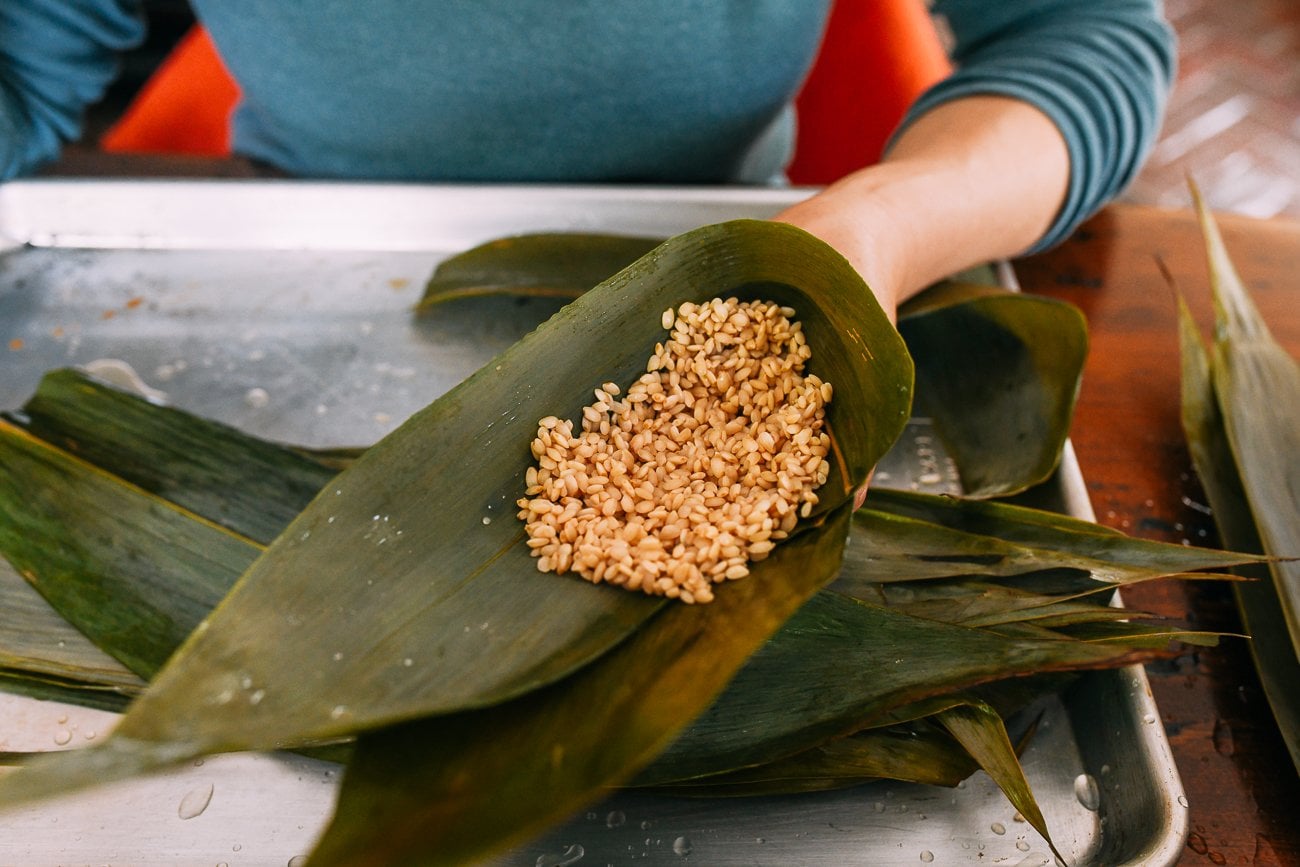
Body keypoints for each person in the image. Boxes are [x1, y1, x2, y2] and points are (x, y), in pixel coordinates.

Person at [0, 1, 1174, 319]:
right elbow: (23, 58)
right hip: (292, 253)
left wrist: (878, 230)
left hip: (738, 254)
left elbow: (1079, 31)